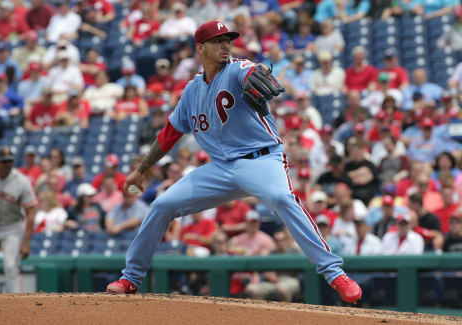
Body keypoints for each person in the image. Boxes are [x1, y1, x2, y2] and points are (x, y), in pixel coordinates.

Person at [107, 21, 362, 303]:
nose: (225, 44)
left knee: (282, 198)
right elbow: (169, 134)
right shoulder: (191, 91)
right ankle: (130, 278)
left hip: (261, 159)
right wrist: (141, 170)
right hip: (221, 168)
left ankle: (334, 273)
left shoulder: (237, 69)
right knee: (162, 205)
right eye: (218, 41)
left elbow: (254, 70)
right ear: (201, 48)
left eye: (228, 39)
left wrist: (260, 71)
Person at [0, 147, 37, 293]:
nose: (8, 164)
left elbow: (31, 211)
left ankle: (16, 305)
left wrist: (26, 242)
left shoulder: (21, 181)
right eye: (4, 161)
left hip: (12, 228)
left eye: (10, 161)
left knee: (10, 266)